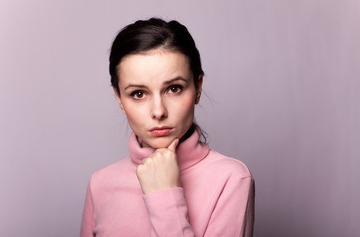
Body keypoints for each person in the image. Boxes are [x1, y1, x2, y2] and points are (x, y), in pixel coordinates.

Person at [81, 18, 255, 237]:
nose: (158, 111)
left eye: (174, 88)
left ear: (198, 87)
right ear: (119, 99)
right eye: (139, 93)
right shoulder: (100, 184)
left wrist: (164, 196)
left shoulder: (231, 179)